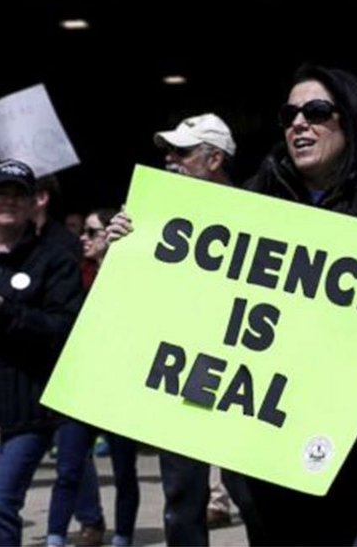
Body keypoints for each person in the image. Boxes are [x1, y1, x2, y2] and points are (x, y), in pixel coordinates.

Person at [236, 63, 357, 545]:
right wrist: (136, 241)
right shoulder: (253, 199)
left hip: (354, 441)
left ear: (351, 119)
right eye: (290, 114)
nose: (299, 123)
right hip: (263, 434)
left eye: (316, 111)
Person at [109, 112, 247, 546]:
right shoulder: (151, 215)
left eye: (181, 152)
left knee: (251, 493)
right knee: (182, 498)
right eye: (167, 152)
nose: (169, 160)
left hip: (245, 376)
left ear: (214, 159)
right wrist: (121, 245)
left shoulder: (260, 212)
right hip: (180, 373)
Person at [0, 159, 84, 546]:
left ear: (35, 203)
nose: (9, 202)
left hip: (22, 403)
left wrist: (7, 313)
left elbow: (64, 329)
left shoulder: (53, 258)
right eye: (1, 193)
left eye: (19, 195)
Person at [47, 208, 141, 547]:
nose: (83, 238)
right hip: (81, 386)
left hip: (120, 388)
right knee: (68, 467)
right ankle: (55, 538)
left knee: (124, 472)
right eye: (83, 232)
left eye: (92, 231)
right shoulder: (73, 274)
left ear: (110, 235)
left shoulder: (136, 275)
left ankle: (123, 538)